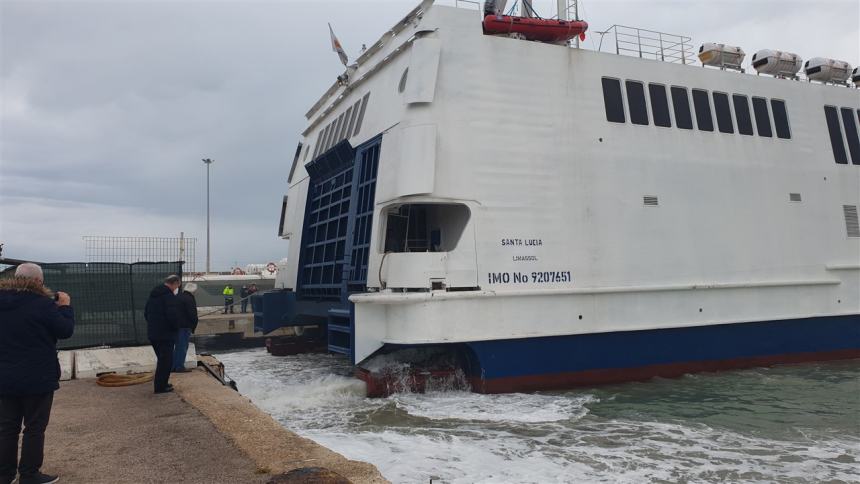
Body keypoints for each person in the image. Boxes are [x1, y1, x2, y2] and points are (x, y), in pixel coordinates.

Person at [0, 263, 74, 484]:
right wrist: (65, 307)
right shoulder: (43, 304)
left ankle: (4, 474)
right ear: (39, 282)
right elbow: (65, 331)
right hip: (38, 376)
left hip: (4, 375)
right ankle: (29, 474)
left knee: (7, 426)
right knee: (34, 427)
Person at [144, 275, 181, 394]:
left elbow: (146, 313)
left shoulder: (153, 295)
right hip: (166, 335)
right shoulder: (169, 297)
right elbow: (173, 316)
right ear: (174, 283)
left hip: (153, 333)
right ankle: (160, 387)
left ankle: (163, 383)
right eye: (177, 286)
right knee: (166, 362)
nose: (177, 289)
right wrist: (176, 328)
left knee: (162, 360)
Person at [172, 283, 199, 373]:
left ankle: (173, 366)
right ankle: (179, 367)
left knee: (177, 347)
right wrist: (193, 327)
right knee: (182, 347)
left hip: (175, 326)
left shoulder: (178, 296)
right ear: (193, 291)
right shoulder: (190, 299)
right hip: (185, 327)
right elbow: (193, 315)